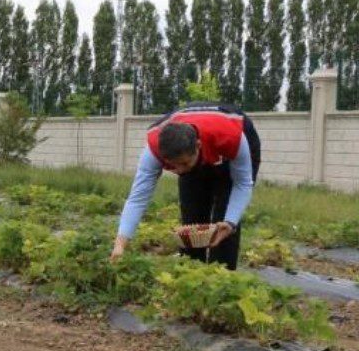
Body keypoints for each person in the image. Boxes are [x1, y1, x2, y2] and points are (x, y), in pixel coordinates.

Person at [111, 103, 260, 270]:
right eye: (172, 166)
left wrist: (231, 222)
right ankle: (192, 273)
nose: (180, 170)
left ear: (198, 146)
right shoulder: (154, 150)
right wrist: (120, 244)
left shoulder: (231, 137)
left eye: (183, 163)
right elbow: (137, 198)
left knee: (224, 222)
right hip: (199, 146)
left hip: (232, 139)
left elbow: (243, 183)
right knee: (192, 222)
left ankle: (222, 280)